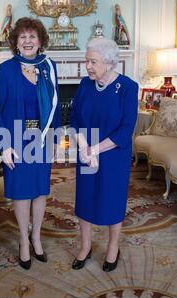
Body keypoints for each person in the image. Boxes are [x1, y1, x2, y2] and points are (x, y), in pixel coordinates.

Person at [0, 17, 60, 270]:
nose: (28, 41)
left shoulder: (48, 66)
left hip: (42, 138)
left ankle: (36, 236)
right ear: (16, 41)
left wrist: (52, 138)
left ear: (40, 40)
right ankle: (24, 239)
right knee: (22, 192)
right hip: (15, 139)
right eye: (23, 37)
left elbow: (54, 107)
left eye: (32, 36)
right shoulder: (7, 69)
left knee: (40, 191)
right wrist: (4, 144)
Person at [70, 37, 138, 272]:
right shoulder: (85, 85)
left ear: (109, 63)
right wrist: (82, 146)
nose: (87, 66)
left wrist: (94, 150)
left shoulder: (128, 88)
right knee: (85, 199)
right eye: (86, 60)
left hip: (112, 154)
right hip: (86, 152)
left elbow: (126, 130)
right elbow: (75, 119)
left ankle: (112, 247)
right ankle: (86, 246)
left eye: (93, 61)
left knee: (112, 200)